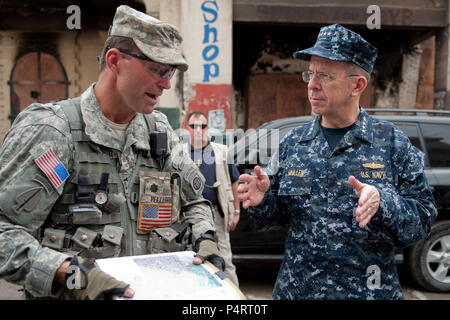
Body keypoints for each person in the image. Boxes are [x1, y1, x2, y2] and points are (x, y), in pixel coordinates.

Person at [0, 5, 224, 300]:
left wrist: (205, 238)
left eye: (169, 72)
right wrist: (73, 274)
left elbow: (193, 202)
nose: (166, 83)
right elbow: (5, 232)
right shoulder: (54, 132)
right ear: (115, 61)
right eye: (157, 69)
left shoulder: (158, 131)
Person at [237, 24, 438, 300]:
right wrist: (263, 201)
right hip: (298, 292)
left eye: (325, 75)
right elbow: (279, 215)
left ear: (357, 85)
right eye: (310, 73)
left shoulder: (392, 143)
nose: (312, 83)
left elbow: (423, 219)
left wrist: (382, 203)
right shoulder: (293, 143)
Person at [184, 111, 240, 286]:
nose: (198, 130)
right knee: (190, 257)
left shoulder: (221, 151)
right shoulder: (180, 152)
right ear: (187, 128)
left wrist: (236, 211)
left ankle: (233, 297)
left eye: (202, 126)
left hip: (216, 213)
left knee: (225, 259)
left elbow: (234, 182)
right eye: (194, 126)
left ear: (208, 128)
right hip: (187, 214)